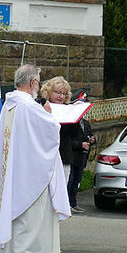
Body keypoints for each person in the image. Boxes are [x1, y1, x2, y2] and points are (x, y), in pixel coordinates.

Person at [0, 64, 71, 253]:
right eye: (38, 82)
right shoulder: (30, 107)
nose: (38, 85)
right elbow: (49, 133)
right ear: (32, 82)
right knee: (31, 215)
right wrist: (49, 114)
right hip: (29, 173)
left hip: (14, 170)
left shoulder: (9, 104)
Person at [39, 76, 86, 213]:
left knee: (59, 193)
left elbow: (75, 134)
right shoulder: (40, 106)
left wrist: (75, 114)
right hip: (44, 155)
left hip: (63, 156)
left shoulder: (68, 109)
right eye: (58, 92)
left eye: (64, 94)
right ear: (49, 91)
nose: (61, 96)